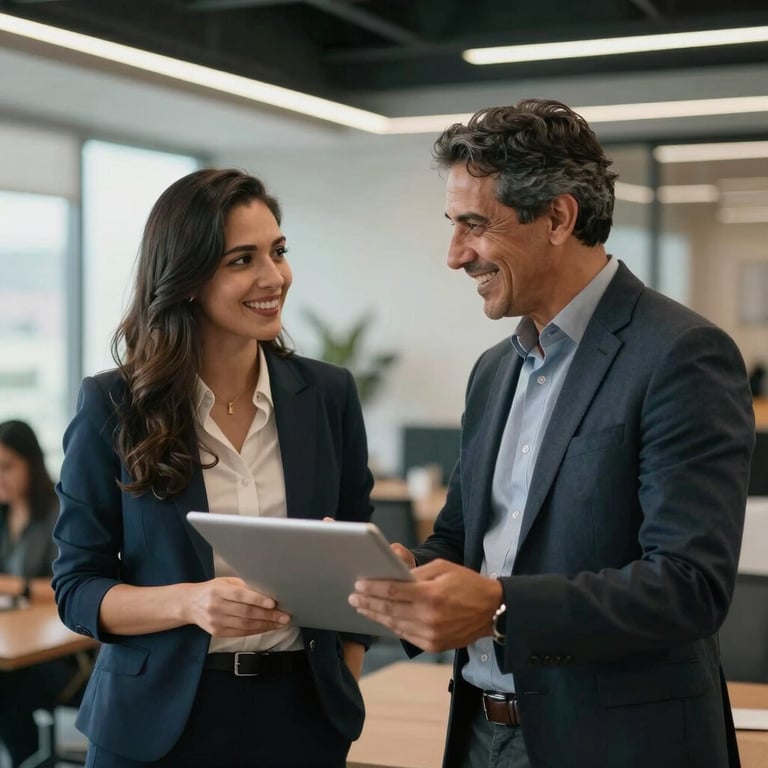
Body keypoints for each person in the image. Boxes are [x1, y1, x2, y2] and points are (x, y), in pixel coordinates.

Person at [350, 99, 755, 768]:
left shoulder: (681, 354)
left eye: (475, 225)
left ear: (559, 217)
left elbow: (689, 586)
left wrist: (501, 610)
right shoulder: (493, 372)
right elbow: (463, 543)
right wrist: (403, 575)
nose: (455, 256)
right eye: (453, 226)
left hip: (617, 745)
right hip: (480, 732)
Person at [52, 168, 373, 768]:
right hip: (156, 724)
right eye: (242, 260)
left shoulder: (327, 396)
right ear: (189, 279)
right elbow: (77, 589)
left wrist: (345, 676)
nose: (273, 277)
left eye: (278, 251)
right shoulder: (114, 405)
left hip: (301, 718)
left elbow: (357, 549)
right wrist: (190, 603)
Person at [0, 419, 80, 767]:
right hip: (13, 636)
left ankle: (27, 760)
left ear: (30, 462)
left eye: (6, 466)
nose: (0, 477)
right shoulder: (3, 513)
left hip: (59, 652)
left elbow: (70, 585)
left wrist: (13, 587)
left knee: (7, 689)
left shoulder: (57, 510)